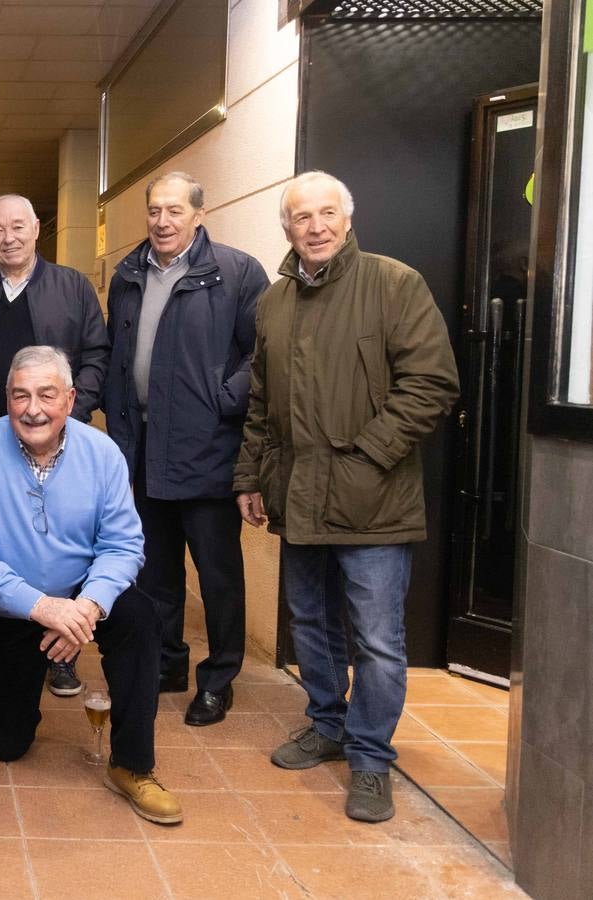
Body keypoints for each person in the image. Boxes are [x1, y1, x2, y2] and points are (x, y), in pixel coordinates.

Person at [234, 171, 459, 823]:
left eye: (326, 213)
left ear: (346, 218)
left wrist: (366, 456)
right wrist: (249, 477)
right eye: (300, 217)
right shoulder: (272, 303)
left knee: (377, 640)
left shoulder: (393, 284)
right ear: (286, 229)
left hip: (374, 505)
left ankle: (368, 759)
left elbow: (431, 383)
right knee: (310, 626)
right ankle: (326, 725)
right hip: (296, 499)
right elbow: (259, 402)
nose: (315, 226)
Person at [0, 346, 180, 825]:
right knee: (6, 744)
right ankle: (28, 682)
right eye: (20, 395)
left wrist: (87, 608)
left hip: (81, 596)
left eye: (46, 395)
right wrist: (39, 607)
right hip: (12, 607)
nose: (33, 409)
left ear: (70, 400)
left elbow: (124, 545)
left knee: (139, 615)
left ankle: (133, 765)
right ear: (7, 399)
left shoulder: (103, 453)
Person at [100, 172, 268, 727]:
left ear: (199, 213)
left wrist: (223, 398)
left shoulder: (237, 272)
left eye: (174, 210)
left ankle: (219, 679)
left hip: (208, 449)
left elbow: (262, 355)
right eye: (154, 211)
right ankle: (168, 664)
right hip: (142, 448)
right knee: (155, 572)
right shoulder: (127, 273)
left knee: (217, 575)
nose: (162, 221)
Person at [0, 193, 110, 697]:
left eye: (18, 227)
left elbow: (98, 355)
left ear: (37, 229)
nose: (8, 238)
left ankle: (61, 646)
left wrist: (70, 418)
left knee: (52, 540)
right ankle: (3, 634)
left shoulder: (73, 286)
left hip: (51, 443)